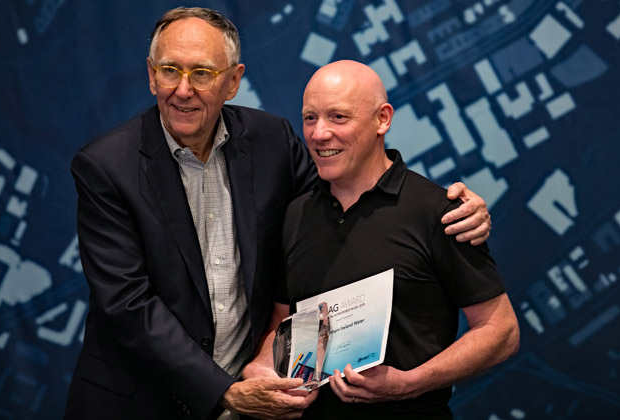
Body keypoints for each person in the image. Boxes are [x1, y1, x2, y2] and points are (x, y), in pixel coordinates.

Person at [65, 7, 493, 420]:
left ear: (233, 81)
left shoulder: (272, 141)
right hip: (141, 402)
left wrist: (451, 205)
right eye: (169, 70)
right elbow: (127, 304)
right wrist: (225, 392)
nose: (182, 89)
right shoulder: (106, 166)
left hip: (260, 399)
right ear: (150, 74)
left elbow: (340, 203)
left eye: (202, 73)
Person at [243, 60, 520, 419]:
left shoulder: (441, 211)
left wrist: (411, 383)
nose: (319, 133)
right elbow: (283, 325)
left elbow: (501, 330)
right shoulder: (296, 215)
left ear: (382, 119)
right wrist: (262, 370)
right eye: (310, 118)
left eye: (338, 117)